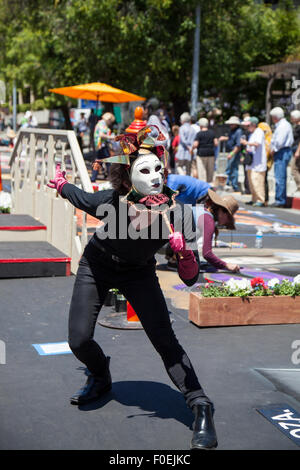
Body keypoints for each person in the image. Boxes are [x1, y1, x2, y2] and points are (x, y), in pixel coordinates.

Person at [47, 124, 218, 450]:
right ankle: (100, 374)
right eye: (144, 170)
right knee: (79, 340)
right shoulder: (109, 202)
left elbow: (190, 278)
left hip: (138, 274)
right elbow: (78, 196)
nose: (155, 176)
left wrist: (183, 254)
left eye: (159, 169)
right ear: (126, 180)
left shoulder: (176, 214)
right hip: (96, 266)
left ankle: (200, 404)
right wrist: (61, 184)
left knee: (165, 340)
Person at [194, 189, 240, 272]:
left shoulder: (202, 210)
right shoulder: (208, 220)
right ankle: (175, 259)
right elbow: (207, 254)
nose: (226, 222)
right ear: (222, 211)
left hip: (165, 235)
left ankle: (173, 258)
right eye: (228, 218)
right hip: (166, 238)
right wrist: (226, 265)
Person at [270, 107, 294, 207]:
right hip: (282, 151)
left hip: (281, 151)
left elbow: (279, 142)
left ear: (275, 117)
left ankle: (280, 200)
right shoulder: (283, 125)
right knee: (280, 176)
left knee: (280, 177)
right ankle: (280, 199)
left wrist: (273, 150)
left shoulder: (283, 126)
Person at [240, 117, 266, 207]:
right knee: (251, 181)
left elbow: (257, 143)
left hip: (258, 162)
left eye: (249, 125)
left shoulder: (259, 131)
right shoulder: (252, 133)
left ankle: (260, 200)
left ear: (253, 125)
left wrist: (246, 143)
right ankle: (254, 198)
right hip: (252, 161)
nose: (247, 127)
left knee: (257, 181)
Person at [219, 116, 242, 192]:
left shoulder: (238, 131)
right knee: (231, 168)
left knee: (231, 169)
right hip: (231, 151)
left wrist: (232, 154)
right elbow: (231, 139)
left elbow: (238, 145)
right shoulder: (232, 131)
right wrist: (225, 138)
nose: (231, 125)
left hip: (234, 152)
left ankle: (232, 185)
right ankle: (231, 185)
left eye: (232, 124)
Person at [192, 118, 218, 183]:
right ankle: (209, 184)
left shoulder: (199, 134)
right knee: (210, 171)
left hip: (201, 154)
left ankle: (203, 185)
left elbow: (195, 145)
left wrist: (192, 149)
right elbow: (216, 143)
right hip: (211, 154)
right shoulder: (212, 133)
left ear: (201, 125)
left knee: (202, 171)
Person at [91, 112, 116, 181]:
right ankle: (111, 177)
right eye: (111, 121)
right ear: (109, 119)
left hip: (100, 146)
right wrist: (110, 137)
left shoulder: (101, 123)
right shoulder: (102, 123)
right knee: (107, 161)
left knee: (99, 161)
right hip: (101, 146)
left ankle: (93, 178)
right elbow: (101, 135)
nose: (110, 123)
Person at [258, 122, 273, 205]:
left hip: (265, 162)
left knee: (264, 180)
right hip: (260, 162)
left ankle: (265, 199)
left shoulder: (269, 140)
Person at [290, 110, 300, 194]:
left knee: (293, 169)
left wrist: (298, 151)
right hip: (294, 150)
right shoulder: (296, 126)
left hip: (297, 151)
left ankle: (299, 186)